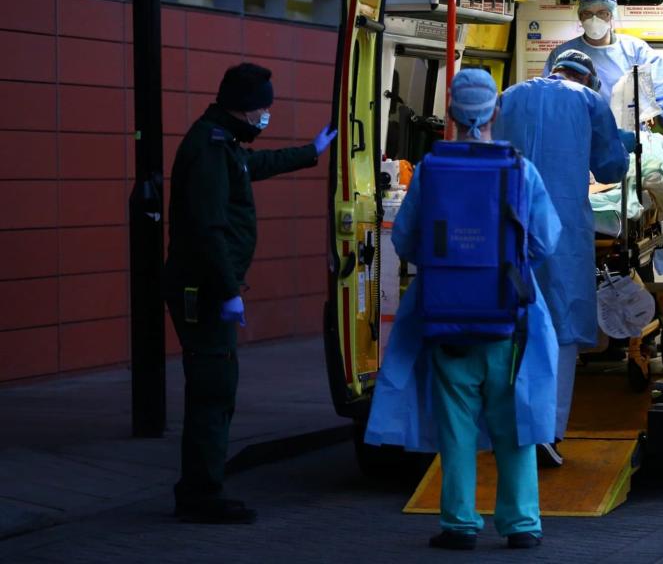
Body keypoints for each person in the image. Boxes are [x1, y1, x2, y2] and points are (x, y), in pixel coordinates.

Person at [365, 69, 562, 551]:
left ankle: (459, 523)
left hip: (446, 317)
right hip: (510, 319)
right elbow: (545, 240)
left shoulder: (432, 169)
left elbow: (408, 240)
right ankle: (521, 525)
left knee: (456, 426)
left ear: (450, 115)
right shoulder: (521, 170)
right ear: (496, 112)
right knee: (514, 424)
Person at [163, 62, 337, 524]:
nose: (266, 116)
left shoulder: (224, 144)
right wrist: (227, 291)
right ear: (243, 107)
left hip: (207, 288)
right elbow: (208, 228)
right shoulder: (210, 148)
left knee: (217, 389)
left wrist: (310, 152)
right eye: (263, 108)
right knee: (213, 390)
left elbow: (254, 166)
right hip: (202, 291)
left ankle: (203, 488)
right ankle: (201, 494)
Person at [496, 51, 634, 468]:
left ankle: (508, 428)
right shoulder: (589, 102)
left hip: (506, 228)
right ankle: (548, 433)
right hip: (560, 233)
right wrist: (625, 145)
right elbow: (609, 169)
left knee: (509, 331)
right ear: (590, 79)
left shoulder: (509, 96)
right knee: (562, 330)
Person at [542, 0, 663, 130]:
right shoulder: (563, 54)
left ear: (612, 15)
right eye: (587, 13)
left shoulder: (635, 50)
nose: (594, 20)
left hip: (628, 135)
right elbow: (548, 97)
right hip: (578, 134)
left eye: (603, 13)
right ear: (580, 17)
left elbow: (661, 84)